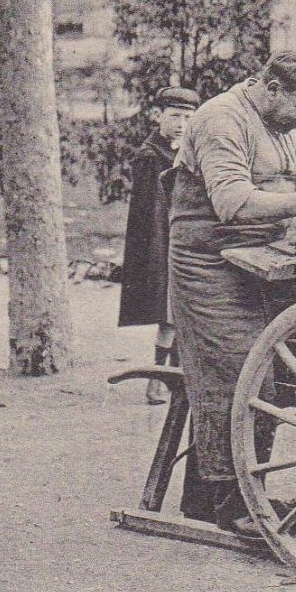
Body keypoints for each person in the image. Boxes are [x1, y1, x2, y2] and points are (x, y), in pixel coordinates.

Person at [167, 51, 296, 532]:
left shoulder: (286, 123)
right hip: (208, 261)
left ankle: (204, 498)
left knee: (273, 366)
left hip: (261, 259)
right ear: (271, 87)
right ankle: (235, 505)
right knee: (240, 372)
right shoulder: (221, 119)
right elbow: (231, 202)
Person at [118, 86, 199, 404]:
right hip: (162, 241)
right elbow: (152, 210)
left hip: (186, 237)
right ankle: (156, 380)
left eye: (187, 117)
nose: (181, 123)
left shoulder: (188, 150)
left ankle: (179, 378)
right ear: (158, 116)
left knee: (184, 313)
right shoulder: (151, 157)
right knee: (169, 315)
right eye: (174, 116)